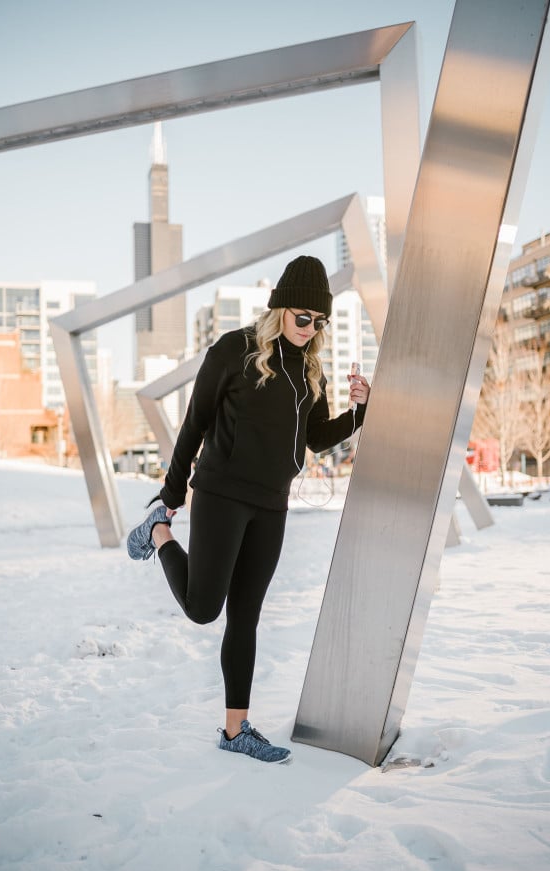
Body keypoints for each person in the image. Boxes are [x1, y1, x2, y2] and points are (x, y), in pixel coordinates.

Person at [126, 256, 370, 763]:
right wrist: (169, 500)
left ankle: (235, 731)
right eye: (302, 317)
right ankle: (158, 536)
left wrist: (360, 412)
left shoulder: (307, 369)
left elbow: (316, 438)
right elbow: (193, 427)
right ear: (279, 308)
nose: (309, 329)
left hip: (271, 506)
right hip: (220, 494)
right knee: (203, 609)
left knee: (246, 618)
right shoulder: (233, 350)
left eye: (319, 321)